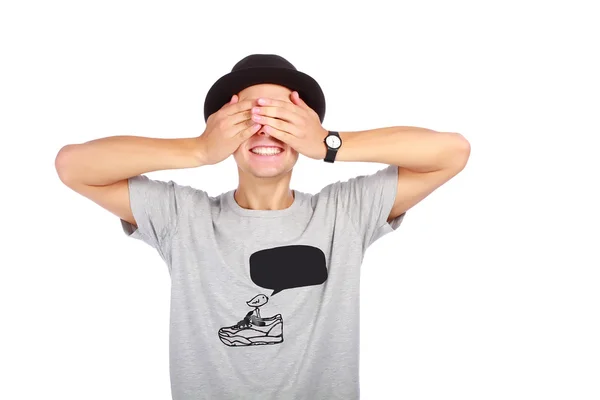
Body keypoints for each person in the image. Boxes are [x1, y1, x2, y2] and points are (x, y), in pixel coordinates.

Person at [55, 54, 470, 400]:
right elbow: (73, 166)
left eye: (283, 116)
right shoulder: (181, 216)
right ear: (224, 129)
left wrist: (329, 143)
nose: (265, 127)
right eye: (246, 116)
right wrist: (199, 150)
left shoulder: (346, 212)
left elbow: (452, 152)